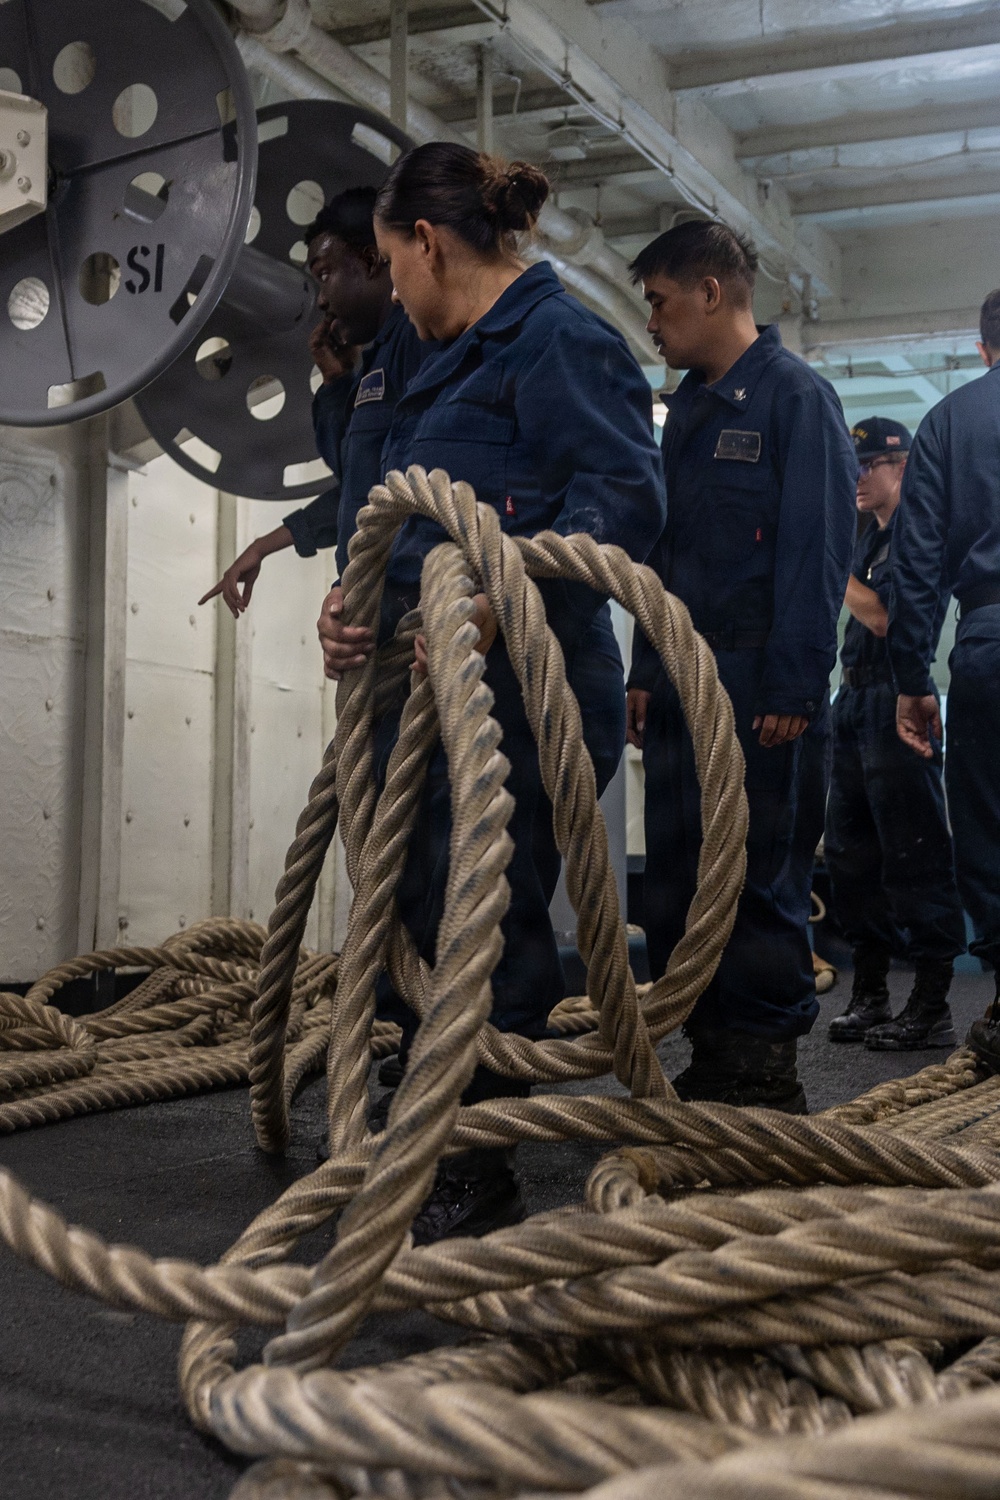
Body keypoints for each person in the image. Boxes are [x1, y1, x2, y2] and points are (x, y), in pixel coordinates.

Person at [320, 141, 667, 1240]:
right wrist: (350, 606)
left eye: (390, 262)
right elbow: (389, 519)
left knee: (484, 910)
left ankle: (474, 1154)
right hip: (407, 687)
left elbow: (622, 499)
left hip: (521, 686)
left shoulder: (559, 345)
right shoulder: (424, 356)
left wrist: (488, 597)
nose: (392, 288)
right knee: (411, 902)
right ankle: (425, 1099)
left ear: (425, 244)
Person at [626, 221, 857, 1113]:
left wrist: (798, 685)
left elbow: (817, 548)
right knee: (682, 875)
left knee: (759, 876)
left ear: (711, 294)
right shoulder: (685, 412)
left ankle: (764, 1070)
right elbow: (661, 550)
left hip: (765, 688)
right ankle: (717, 1050)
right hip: (685, 681)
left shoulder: (797, 399)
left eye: (659, 301)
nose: (652, 322)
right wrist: (646, 666)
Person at [200, 186, 430, 618]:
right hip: (376, 605)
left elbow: (413, 493)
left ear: (370, 260)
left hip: (411, 606)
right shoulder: (377, 362)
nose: (321, 300)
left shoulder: (418, 345)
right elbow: (361, 484)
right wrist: (336, 381)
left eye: (325, 275)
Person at [825, 418, 965, 1048]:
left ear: (902, 466)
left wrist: (829, 569)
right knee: (853, 859)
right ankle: (872, 995)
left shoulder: (916, 535)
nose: (857, 478)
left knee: (914, 852)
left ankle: (932, 1003)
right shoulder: (865, 539)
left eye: (869, 465)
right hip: (853, 700)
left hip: (895, 699)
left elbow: (885, 619)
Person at [889, 289, 1000, 1054]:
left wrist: (912, 677)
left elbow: (916, 564)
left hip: (991, 642)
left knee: (990, 828)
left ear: (985, 345)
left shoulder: (951, 421)